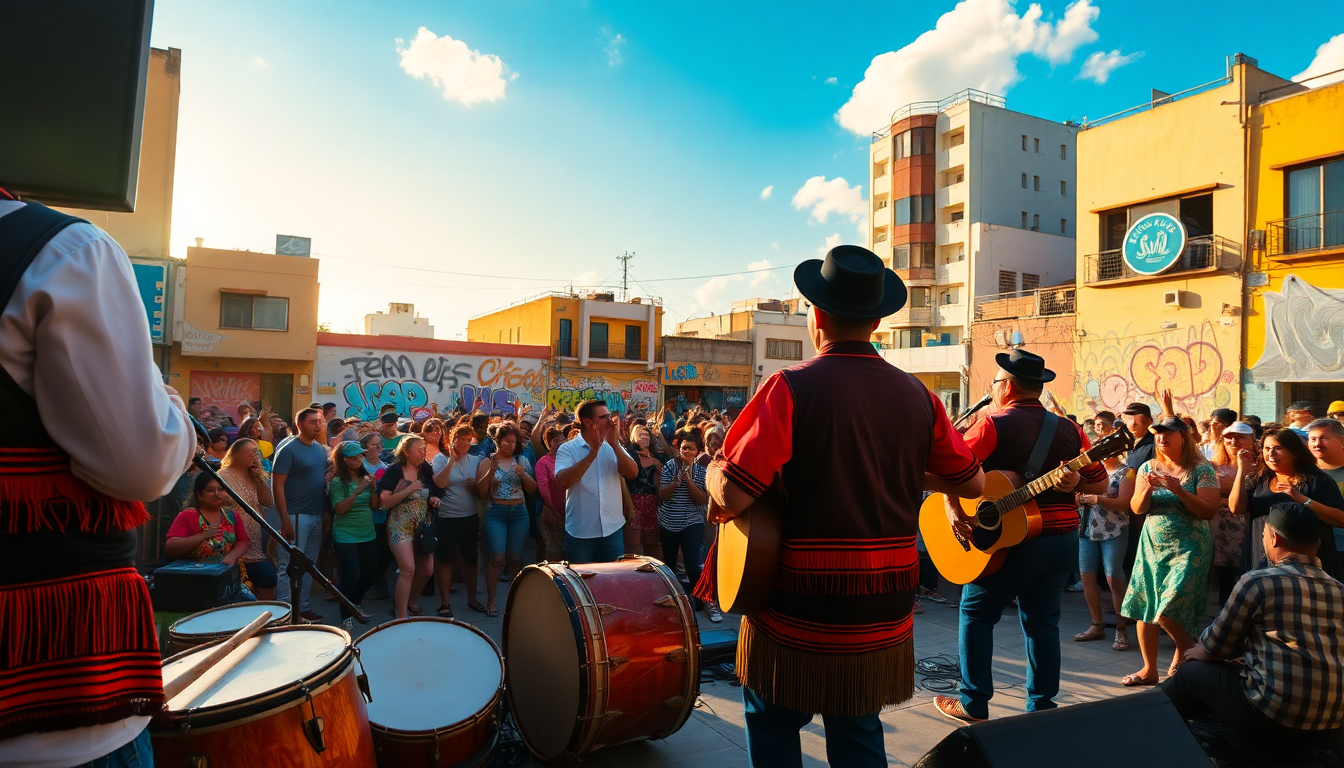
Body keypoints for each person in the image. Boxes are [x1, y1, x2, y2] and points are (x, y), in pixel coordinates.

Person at [703, 246, 984, 766]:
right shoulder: (919, 396)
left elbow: (737, 492)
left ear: (817, 316)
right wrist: (896, 469)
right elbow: (972, 482)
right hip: (884, 603)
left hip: (801, 600)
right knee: (857, 731)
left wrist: (713, 471)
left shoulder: (789, 387)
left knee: (772, 721)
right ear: (877, 320)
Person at [936, 349, 1107, 723]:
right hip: (1062, 541)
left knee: (976, 614)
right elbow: (1103, 482)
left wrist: (953, 508)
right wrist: (1076, 481)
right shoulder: (1070, 428)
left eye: (995, 383)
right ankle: (1042, 707)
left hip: (1013, 545)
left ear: (1007, 387)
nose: (994, 389)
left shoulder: (992, 424)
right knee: (1043, 623)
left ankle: (973, 702)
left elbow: (953, 470)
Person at [1163, 502, 1342, 747]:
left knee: (1189, 674)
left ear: (1274, 539)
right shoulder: (1339, 589)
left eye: (1264, 535)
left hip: (1274, 714)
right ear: (1317, 544)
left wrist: (1200, 652)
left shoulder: (1258, 581)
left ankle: (1154, 742)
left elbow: (1216, 646)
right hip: (1333, 722)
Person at [1119, 417, 1219, 687]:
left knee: (1170, 607)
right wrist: (1148, 488)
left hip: (1189, 548)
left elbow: (1208, 511)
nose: (1161, 438)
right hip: (1152, 545)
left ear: (1183, 437)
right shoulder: (1148, 467)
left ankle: (1193, 652)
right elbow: (1137, 509)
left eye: (1168, 434)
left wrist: (1179, 490)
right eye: (1158, 434)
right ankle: (1149, 669)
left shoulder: (1201, 469)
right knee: (1146, 607)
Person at [1230, 428, 1344, 579]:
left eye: (1278, 449)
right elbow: (1236, 509)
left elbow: (1340, 519)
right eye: (1267, 449)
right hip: (1260, 558)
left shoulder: (1317, 481)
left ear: (1295, 452)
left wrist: (1303, 500)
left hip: (1307, 566)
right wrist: (1241, 471)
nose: (1271, 455)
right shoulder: (1259, 479)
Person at [1073, 413, 1133, 651]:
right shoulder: (1088, 473)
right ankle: (1096, 625)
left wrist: (1094, 498)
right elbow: (1076, 496)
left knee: (1113, 579)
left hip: (1114, 531)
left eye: (1104, 451)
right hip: (1087, 530)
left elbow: (1124, 503)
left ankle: (1121, 629)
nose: (1101, 456)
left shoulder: (1127, 472)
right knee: (1087, 577)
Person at [555, 399, 639, 564]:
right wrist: (592, 454)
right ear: (587, 422)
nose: (610, 421)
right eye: (604, 417)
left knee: (612, 582)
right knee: (582, 583)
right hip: (581, 532)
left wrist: (614, 444)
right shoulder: (568, 449)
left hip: (612, 530)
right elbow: (563, 481)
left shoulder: (612, 446)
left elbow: (632, 472)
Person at [273, 407, 330, 623]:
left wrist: (324, 512)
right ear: (300, 424)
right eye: (312, 422)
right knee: (289, 566)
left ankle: (303, 608)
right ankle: (285, 613)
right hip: (295, 515)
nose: (317, 425)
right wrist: (284, 519)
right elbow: (277, 486)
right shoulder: (288, 449)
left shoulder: (319, 449)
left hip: (315, 514)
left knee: (309, 565)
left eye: (319, 421)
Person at [378, 435, 444, 619]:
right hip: (400, 525)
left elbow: (433, 490)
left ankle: (408, 601)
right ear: (406, 452)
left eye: (424, 449)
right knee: (408, 569)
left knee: (427, 570)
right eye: (419, 449)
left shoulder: (425, 469)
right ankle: (401, 616)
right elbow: (384, 501)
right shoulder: (394, 471)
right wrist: (408, 489)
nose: (423, 452)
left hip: (422, 527)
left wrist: (433, 498)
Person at [475, 424, 536, 616]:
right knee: (497, 558)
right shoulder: (488, 461)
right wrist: (490, 473)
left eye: (513, 441)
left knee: (514, 559)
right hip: (496, 513)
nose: (511, 445)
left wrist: (523, 474)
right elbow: (481, 492)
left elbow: (533, 489)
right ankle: (491, 600)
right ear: (498, 441)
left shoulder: (522, 460)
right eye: (507, 441)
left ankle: (514, 599)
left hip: (518, 513)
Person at [658, 429, 714, 620]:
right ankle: (673, 599)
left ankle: (698, 600)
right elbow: (663, 494)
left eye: (690, 449)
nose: (686, 452)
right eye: (683, 448)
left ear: (697, 451)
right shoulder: (669, 467)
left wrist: (688, 480)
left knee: (691, 563)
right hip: (669, 522)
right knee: (670, 562)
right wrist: (677, 481)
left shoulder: (702, 472)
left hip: (692, 522)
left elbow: (701, 500)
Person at [431, 424, 483, 617]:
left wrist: (475, 486)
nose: (464, 444)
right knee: (445, 560)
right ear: (452, 439)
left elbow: (482, 490)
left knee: (470, 559)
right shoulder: (440, 458)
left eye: (468, 441)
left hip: (469, 516)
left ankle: (472, 599)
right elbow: (440, 483)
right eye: (461, 440)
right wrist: (452, 460)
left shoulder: (476, 460)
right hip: (447, 517)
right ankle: (445, 602)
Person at [218, 438, 277, 600]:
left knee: (268, 580)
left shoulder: (254, 476)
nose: (255, 455)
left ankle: (267, 620)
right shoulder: (223, 475)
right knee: (261, 578)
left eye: (256, 451)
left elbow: (267, 501)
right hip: (234, 542)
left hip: (256, 541)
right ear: (237, 454)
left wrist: (259, 479)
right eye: (250, 451)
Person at [327, 442, 378, 631]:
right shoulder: (337, 482)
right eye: (354, 457)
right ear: (343, 460)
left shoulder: (366, 477)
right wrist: (358, 491)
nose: (358, 459)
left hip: (367, 532)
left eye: (360, 456)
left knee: (370, 572)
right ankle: (346, 616)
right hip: (346, 534)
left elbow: (375, 506)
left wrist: (372, 489)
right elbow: (340, 509)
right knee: (351, 576)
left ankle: (354, 605)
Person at [1210, 422, 1255, 606]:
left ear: (1252, 440)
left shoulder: (1260, 464)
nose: (1233, 441)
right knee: (1223, 572)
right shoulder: (1213, 464)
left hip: (1246, 523)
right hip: (1219, 525)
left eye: (1240, 437)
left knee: (1244, 571)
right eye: (1229, 437)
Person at [165, 473, 251, 566]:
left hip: (224, 572)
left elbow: (243, 541)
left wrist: (232, 557)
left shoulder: (231, 515)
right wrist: (203, 536)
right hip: (194, 573)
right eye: (210, 490)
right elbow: (171, 547)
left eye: (221, 489)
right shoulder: (187, 516)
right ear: (199, 494)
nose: (217, 494)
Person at [624, 424, 664, 559]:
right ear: (633, 437)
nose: (644, 437)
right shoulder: (628, 456)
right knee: (633, 543)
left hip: (651, 503)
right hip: (632, 501)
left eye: (647, 434)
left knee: (653, 542)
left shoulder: (657, 459)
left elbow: (660, 483)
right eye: (640, 434)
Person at [1307, 418, 1344, 550]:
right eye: (1312, 439)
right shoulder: (1303, 472)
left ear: (1342, 440)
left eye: (1324, 438)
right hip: (1310, 548)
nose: (1317, 444)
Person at [534, 426, 567, 563]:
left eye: (563, 439)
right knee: (553, 550)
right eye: (558, 440)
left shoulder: (568, 459)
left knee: (567, 550)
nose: (562, 442)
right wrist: (552, 509)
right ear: (551, 442)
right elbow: (543, 487)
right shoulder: (543, 463)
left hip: (569, 512)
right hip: (551, 512)